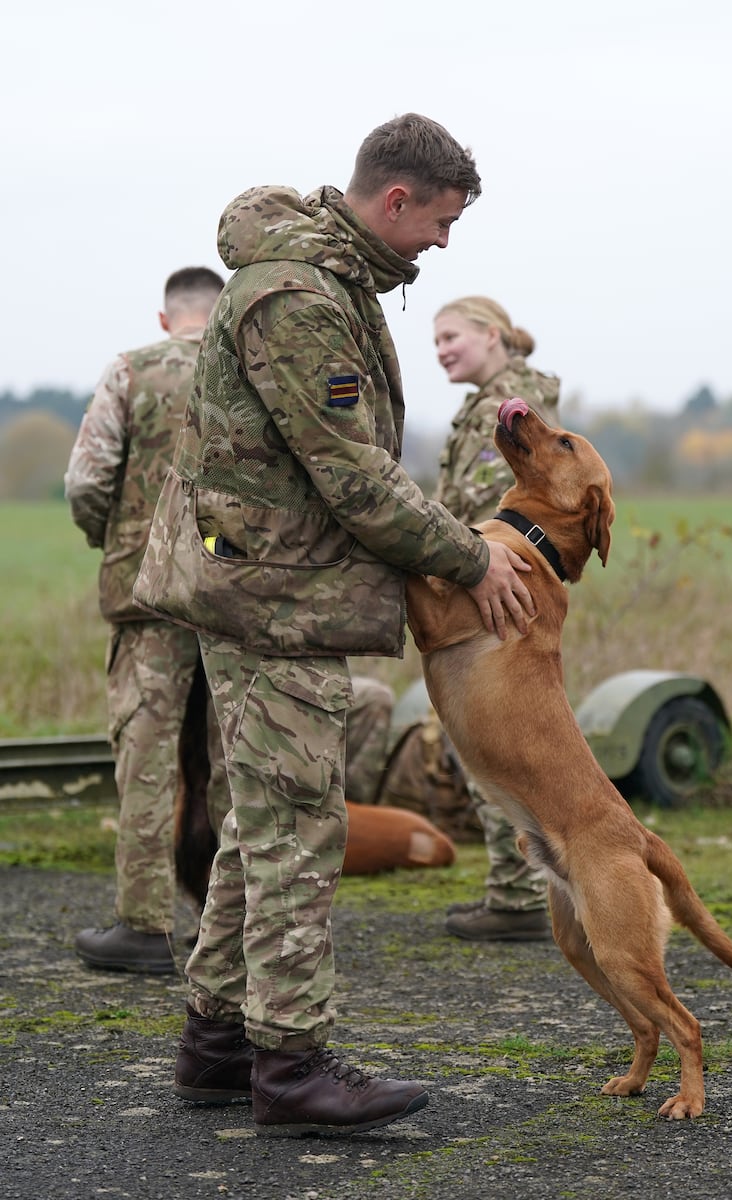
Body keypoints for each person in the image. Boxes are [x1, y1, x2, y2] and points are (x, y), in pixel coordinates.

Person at [133, 112, 535, 1138]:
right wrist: (468, 553)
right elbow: (350, 474)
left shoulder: (328, 279)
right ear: (392, 200)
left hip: (271, 587)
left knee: (259, 821)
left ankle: (219, 1040)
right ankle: (292, 1062)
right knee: (296, 828)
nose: (441, 244)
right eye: (437, 222)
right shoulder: (299, 297)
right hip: (274, 600)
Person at [64, 267, 231, 975]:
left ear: (167, 319)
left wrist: (119, 540)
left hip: (147, 594)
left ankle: (145, 926)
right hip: (233, 594)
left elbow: (86, 481)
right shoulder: (246, 372)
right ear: (221, 315)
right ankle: (234, 926)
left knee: (148, 754)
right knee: (232, 761)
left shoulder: (131, 371)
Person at [432, 295, 560, 942]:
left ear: (490, 335)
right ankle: (525, 888)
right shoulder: (503, 402)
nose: (441, 349)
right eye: (436, 341)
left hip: (494, 595)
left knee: (493, 748)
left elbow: (489, 512)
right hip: (500, 591)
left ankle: (516, 896)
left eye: (452, 336)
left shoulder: (507, 412)